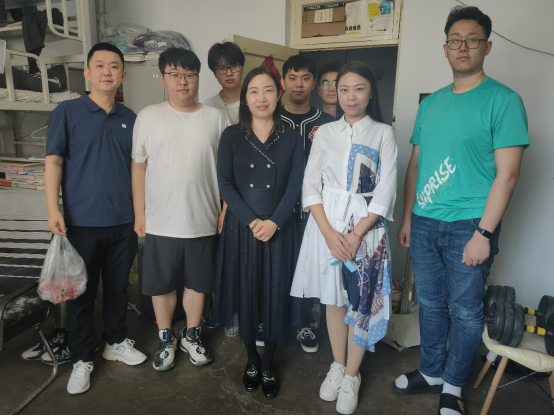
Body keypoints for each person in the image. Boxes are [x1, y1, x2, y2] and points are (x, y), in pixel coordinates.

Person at [392, 6, 529, 416]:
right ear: (445, 48)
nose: (463, 47)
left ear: (487, 46)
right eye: (455, 40)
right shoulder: (431, 103)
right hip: (424, 222)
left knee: (467, 311)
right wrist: (408, 218)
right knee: (430, 303)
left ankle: (452, 386)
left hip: (470, 225)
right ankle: (431, 371)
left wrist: (483, 234)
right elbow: (415, 165)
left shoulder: (504, 100)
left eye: (472, 40)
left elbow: (508, 175)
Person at [291, 61, 397, 415]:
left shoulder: (383, 133)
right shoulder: (324, 132)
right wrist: (328, 233)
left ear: (370, 92)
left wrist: (355, 234)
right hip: (326, 226)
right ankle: (337, 364)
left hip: (365, 229)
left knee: (360, 302)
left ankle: (352, 375)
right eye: (344, 89)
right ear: (335, 92)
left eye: (359, 89)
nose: (351, 96)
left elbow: (386, 189)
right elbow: (310, 184)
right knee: (333, 301)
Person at [45, 42, 147, 395]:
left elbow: (138, 169)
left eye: (114, 66)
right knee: (80, 294)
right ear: (87, 73)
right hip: (80, 223)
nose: (107, 71)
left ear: (123, 75)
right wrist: (53, 209)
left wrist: (140, 214)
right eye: (100, 65)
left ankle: (115, 341)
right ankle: (81, 358)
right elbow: (54, 161)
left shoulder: (132, 118)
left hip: (123, 222)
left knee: (118, 289)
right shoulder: (67, 112)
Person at [131, 47, 228, 372]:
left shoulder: (216, 118)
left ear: (198, 78)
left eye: (189, 75)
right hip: (161, 220)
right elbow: (139, 166)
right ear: (163, 78)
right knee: (162, 285)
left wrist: (225, 208)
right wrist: (140, 212)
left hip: (203, 218)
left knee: (198, 284)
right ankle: (165, 338)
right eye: (175, 74)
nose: (183, 81)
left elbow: (227, 169)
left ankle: (191, 335)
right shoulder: (148, 116)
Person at [215, 67, 304, 399]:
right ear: (245, 98)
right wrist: (252, 221)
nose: (261, 97)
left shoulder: (291, 136)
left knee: (276, 294)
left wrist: (275, 221)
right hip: (243, 227)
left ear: (278, 95)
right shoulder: (231, 135)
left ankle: (268, 363)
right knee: (247, 292)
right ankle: (251, 359)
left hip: (280, 226)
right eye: (253, 91)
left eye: (268, 90)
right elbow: (225, 183)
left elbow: (295, 185)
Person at [280, 55, 335, 354]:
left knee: (308, 269)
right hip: (276, 211)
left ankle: (303, 323)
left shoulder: (327, 123)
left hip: (315, 212)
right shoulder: (271, 117)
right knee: (275, 267)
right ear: (283, 82)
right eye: (292, 77)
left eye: (305, 78)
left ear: (314, 83)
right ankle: (269, 320)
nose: (298, 84)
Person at [204, 41, 245, 126]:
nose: (229, 73)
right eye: (222, 68)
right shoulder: (207, 107)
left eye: (234, 66)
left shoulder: (256, 101)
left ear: (242, 69)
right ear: (215, 74)